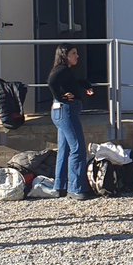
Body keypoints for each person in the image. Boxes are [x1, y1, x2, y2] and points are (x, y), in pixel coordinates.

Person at [48, 44, 95, 200]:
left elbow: (73, 82)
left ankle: (60, 186)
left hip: (61, 111)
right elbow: (51, 82)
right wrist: (60, 97)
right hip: (65, 111)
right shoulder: (60, 70)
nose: (77, 56)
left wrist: (86, 85)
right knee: (78, 148)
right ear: (64, 55)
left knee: (65, 149)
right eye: (73, 53)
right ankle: (76, 188)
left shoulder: (66, 71)